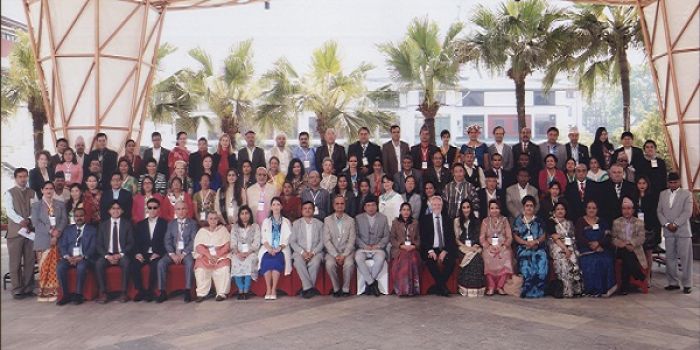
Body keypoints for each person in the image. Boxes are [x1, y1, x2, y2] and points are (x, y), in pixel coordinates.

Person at [657, 173, 694, 294]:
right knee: (670, 257)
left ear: (679, 182)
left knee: (685, 258)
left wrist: (676, 224)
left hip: (683, 231)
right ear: (668, 183)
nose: (673, 184)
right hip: (668, 231)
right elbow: (659, 211)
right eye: (671, 182)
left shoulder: (686, 194)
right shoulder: (663, 194)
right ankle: (673, 282)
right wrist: (667, 224)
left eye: (675, 182)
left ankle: (687, 284)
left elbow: (687, 212)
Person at [31, 181, 67, 302]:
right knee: (43, 267)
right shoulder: (36, 206)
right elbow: (35, 222)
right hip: (42, 239)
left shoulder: (60, 204)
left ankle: (56, 292)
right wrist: (51, 231)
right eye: (46, 188)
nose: (49, 191)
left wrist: (57, 232)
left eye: (51, 188)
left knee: (56, 267)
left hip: (58, 238)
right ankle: (44, 293)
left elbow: (64, 220)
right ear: (42, 190)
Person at [94, 201, 134, 303]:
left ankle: (124, 293)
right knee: (98, 264)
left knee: (126, 262)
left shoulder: (127, 224)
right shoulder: (103, 225)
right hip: (108, 254)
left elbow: (131, 243)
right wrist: (107, 256)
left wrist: (120, 254)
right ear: (109, 211)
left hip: (121, 254)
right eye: (113, 208)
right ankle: (103, 293)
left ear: (122, 211)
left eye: (118, 208)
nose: (115, 210)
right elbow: (99, 244)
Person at [157, 201, 196, 303]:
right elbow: (167, 240)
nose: (181, 211)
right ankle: (162, 291)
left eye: (183, 209)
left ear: (187, 210)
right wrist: (172, 254)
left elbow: (193, 240)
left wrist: (184, 253)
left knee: (190, 263)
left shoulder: (192, 224)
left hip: (186, 253)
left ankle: (187, 291)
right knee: (161, 263)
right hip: (173, 252)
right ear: (175, 211)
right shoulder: (171, 224)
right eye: (178, 209)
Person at [575, 200, 616, 297]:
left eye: (594, 208)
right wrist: (591, 245)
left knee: (606, 260)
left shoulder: (602, 221)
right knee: (592, 261)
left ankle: (605, 289)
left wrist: (598, 244)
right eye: (589, 208)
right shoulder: (580, 221)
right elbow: (579, 237)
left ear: (597, 210)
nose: (591, 210)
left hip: (601, 248)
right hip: (586, 249)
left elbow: (608, 237)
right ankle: (592, 290)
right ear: (585, 209)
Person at [56, 208, 95, 305]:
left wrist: (83, 256)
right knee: (60, 267)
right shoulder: (68, 230)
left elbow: (93, 247)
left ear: (85, 216)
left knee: (81, 266)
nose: (79, 218)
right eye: (76, 216)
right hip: (69, 257)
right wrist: (67, 256)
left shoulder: (92, 230)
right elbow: (62, 245)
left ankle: (78, 295)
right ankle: (65, 295)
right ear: (74, 217)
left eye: (81, 215)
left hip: (84, 257)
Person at [131, 198, 167, 302]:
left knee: (155, 265)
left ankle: (150, 291)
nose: (152, 210)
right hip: (143, 253)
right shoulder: (140, 224)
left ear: (159, 209)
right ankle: (140, 291)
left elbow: (166, 241)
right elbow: (136, 241)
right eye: (150, 208)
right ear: (147, 209)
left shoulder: (164, 224)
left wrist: (159, 253)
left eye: (154, 208)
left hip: (156, 253)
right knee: (134, 265)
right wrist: (137, 253)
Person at [419, 196, 456, 296]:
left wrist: (445, 251)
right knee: (430, 261)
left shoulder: (448, 219)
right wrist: (430, 251)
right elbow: (423, 238)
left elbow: (451, 238)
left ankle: (438, 286)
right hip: (431, 248)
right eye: (434, 205)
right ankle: (442, 287)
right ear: (431, 206)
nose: (437, 206)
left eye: (439, 205)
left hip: (444, 248)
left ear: (442, 206)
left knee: (451, 261)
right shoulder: (425, 219)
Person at [512, 195, 548, 298]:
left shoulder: (539, 220)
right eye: (527, 206)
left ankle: (539, 288)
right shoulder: (518, 220)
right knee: (526, 259)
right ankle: (527, 288)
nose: (529, 208)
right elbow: (515, 236)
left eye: (531, 206)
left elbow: (543, 236)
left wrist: (535, 242)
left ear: (534, 207)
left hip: (537, 246)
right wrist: (525, 243)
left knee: (541, 258)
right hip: (523, 247)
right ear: (523, 207)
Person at [355, 195, 391, 296]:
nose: (371, 208)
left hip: (377, 248)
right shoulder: (358, 218)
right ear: (364, 207)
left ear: (377, 206)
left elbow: (386, 236)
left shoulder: (383, 218)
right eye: (368, 205)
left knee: (380, 259)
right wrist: (363, 246)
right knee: (358, 258)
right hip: (363, 248)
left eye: (373, 205)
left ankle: (368, 283)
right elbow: (356, 236)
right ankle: (372, 283)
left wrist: (378, 246)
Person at [258, 197, 292, 300]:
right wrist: (269, 248)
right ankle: (268, 289)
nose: (276, 207)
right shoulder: (266, 221)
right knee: (266, 262)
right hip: (268, 248)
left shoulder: (286, 221)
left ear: (281, 207)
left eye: (278, 204)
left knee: (277, 262)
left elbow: (288, 238)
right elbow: (263, 237)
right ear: (271, 207)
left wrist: (279, 248)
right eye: (274, 204)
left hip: (281, 249)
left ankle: (274, 289)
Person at [193, 211, 232, 302]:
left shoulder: (223, 230)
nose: (213, 221)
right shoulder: (202, 231)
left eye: (215, 218)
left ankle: (221, 293)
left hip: (220, 256)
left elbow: (227, 245)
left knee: (224, 268)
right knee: (200, 269)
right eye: (211, 218)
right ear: (207, 220)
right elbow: (198, 246)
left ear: (218, 220)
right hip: (206, 256)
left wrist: (217, 256)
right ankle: (201, 294)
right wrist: (209, 255)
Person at [611, 197, 647, 295]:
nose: (626, 211)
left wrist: (631, 243)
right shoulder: (616, 222)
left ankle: (624, 287)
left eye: (629, 208)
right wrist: (622, 244)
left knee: (628, 258)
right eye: (624, 209)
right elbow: (613, 238)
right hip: (621, 249)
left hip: (635, 249)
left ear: (633, 210)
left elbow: (641, 238)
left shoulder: (639, 222)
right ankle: (638, 274)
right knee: (626, 254)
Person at [289, 201, 325, 298]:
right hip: (300, 252)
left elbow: (322, 242)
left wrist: (313, 253)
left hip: (315, 252)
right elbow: (292, 242)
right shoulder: (296, 224)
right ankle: (309, 288)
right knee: (298, 262)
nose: (307, 210)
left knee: (315, 263)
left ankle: (306, 288)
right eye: (305, 208)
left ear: (313, 211)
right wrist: (302, 252)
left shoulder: (320, 224)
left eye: (310, 208)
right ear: (301, 211)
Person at [547, 202, 583, 298]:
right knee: (563, 259)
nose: (560, 211)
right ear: (554, 211)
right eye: (558, 209)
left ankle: (576, 289)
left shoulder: (570, 223)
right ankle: (565, 290)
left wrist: (570, 247)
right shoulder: (551, 222)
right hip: (556, 245)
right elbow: (555, 237)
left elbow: (573, 237)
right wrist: (565, 249)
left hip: (569, 244)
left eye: (562, 209)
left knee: (574, 258)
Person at [323, 195, 356, 297]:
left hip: (347, 252)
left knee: (349, 264)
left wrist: (344, 255)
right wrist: (336, 255)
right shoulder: (327, 220)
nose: (339, 206)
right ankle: (336, 288)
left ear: (345, 205)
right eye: (337, 204)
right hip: (332, 252)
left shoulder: (351, 220)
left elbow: (352, 240)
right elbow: (326, 241)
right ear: (333, 206)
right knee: (329, 264)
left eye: (342, 203)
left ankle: (346, 288)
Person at [480, 199, 513, 296]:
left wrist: (504, 246)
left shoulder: (504, 220)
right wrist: (489, 246)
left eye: (497, 208)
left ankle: (500, 286)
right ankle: (491, 286)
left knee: (506, 254)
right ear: (489, 209)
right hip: (489, 246)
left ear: (500, 209)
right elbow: (482, 237)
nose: (494, 210)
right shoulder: (485, 221)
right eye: (492, 208)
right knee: (487, 256)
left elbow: (509, 236)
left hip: (502, 246)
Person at [454, 199, 485, 297]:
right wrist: (465, 247)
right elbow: (456, 239)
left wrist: (473, 246)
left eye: (468, 207)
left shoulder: (476, 221)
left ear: (471, 208)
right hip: (461, 247)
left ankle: (476, 288)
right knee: (470, 257)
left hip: (474, 246)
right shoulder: (457, 221)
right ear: (461, 209)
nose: (466, 210)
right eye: (464, 207)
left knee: (477, 258)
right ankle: (465, 288)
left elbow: (478, 237)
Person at [390, 202, 421, 296]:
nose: (406, 212)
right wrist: (401, 245)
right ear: (400, 211)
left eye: (408, 210)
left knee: (413, 258)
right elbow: (392, 238)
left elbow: (418, 238)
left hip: (412, 249)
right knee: (404, 258)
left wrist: (414, 246)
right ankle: (403, 290)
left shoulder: (415, 222)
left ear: (410, 211)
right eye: (404, 210)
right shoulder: (395, 222)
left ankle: (412, 289)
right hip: (399, 249)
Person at [230, 206, 261, 300]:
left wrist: (248, 253)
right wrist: (238, 253)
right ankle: (240, 290)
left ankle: (246, 290)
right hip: (238, 252)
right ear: (239, 215)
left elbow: (256, 242)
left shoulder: (255, 226)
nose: (244, 216)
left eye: (246, 213)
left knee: (250, 261)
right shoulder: (235, 227)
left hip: (251, 252)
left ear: (250, 215)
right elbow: (233, 242)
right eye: (242, 213)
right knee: (235, 261)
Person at [633, 176, 661, 251]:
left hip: (649, 227)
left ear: (647, 184)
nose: (642, 185)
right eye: (639, 183)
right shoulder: (634, 195)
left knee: (648, 251)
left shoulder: (652, 196)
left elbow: (654, 212)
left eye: (644, 183)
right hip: (636, 226)